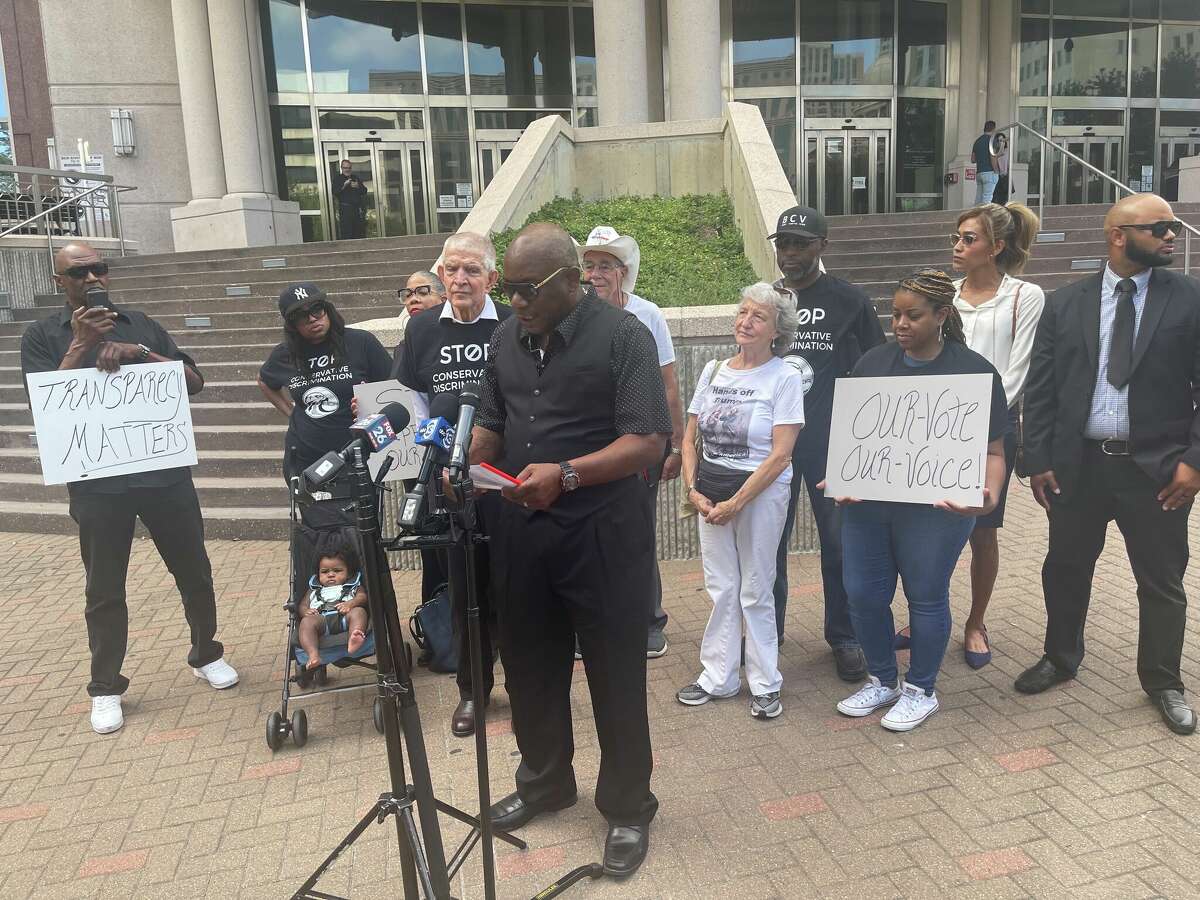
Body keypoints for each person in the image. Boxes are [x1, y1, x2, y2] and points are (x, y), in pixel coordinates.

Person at [473, 223, 670, 878]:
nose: (516, 301)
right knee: (529, 666)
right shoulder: (505, 336)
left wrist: (570, 473)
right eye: (509, 289)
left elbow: (647, 442)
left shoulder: (623, 338)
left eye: (527, 290)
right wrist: (470, 456)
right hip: (523, 534)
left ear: (569, 281)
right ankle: (546, 783)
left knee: (615, 674)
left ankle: (627, 806)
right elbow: (494, 422)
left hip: (602, 534)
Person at [19, 242, 238, 736]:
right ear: (61, 282)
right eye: (80, 273)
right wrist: (79, 346)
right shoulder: (41, 335)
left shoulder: (140, 323)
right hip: (99, 487)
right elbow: (43, 408)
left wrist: (140, 352)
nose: (93, 278)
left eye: (100, 269)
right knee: (104, 590)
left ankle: (206, 653)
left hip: (164, 476)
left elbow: (193, 381)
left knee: (195, 572)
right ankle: (105, 687)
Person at [1016, 194, 1200, 736]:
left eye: (1174, 227)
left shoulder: (1189, 298)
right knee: (1066, 567)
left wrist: (1193, 461)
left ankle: (1163, 680)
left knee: (1162, 580)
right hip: (1079, 467)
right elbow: (1042, 387)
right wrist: (1039, 459)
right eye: (1160, 228)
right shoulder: (1065, 303)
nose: (1172, 236)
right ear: (1118, 235)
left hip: (1158, 471)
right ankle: (1061, 657)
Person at [833, 270, 1008, 733]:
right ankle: (883, 679)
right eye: (895, 314)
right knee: (864, 595)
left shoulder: (974, 372)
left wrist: (986, 498)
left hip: (938, 509)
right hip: (868, 507)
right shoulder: (872, 363)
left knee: (926, 597)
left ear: (942, 316)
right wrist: (842, 477)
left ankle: (921, 689)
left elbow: (993, 452)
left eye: (913, 315)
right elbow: (854, 438)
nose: (901, 324)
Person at [894, 203, 1044, 667]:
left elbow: (1019, 370)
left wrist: (980, 414)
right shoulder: (946, 295)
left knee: (981, 529)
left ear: (996, 247)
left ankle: (976, 621)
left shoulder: (1025, 296)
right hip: (933, 428)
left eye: (969, 239)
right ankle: (923, 613)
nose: (958, 247)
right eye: (956, 238)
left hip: (989, 432)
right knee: (922, 526)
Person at [392, 232, 511, 737]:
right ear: (441, 275)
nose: (460, 279)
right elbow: (405, 396)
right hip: (445, 483)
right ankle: (472, 691)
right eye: (451, 270)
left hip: (507, 482)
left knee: (516, 588)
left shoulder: (510, 324)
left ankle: (526, 684)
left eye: (471, 271)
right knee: (465, 590)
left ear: (492, 278)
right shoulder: (421, 330)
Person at [675, 283, 804, 720]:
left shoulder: (784, 376)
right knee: (721, 586)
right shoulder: (713, 370)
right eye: (743, 312)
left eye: (758, 317)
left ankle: (766, 682)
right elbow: (690, 438)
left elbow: (781, 453)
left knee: (755, 587)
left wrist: (737, 502)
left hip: (761, 494)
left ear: (776, 331)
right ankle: (718, 677)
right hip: (710, 491)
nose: (745, 322)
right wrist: (692, 489)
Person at [768, 205, 885, 682]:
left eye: (800, 243)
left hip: (832, 443)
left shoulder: (849, 300)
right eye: (783, 244)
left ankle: (844, 635)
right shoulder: (762, 299)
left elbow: (875, 367)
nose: (790, 253)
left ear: (822, 246)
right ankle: (765, 633)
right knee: (767, 542)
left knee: (839, 543)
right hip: (772, 445)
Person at [580, 225, 684, 657]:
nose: (596, 274)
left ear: (624, 271)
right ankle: (591, 624)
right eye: (590, 265)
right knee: (585, 535)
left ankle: (647, 622)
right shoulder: (572, 315)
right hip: (587, 446)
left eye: (606, 265)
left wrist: (675, 446)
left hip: (639, 445)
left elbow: (669, 386)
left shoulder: (648, 315)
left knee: (636, 533)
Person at [257, 282, 393, 484]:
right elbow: (264, 381)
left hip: (359, 456)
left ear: (327, 310)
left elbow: (393, 387)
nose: (312, 319)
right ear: (292, 325)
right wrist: (291, 411)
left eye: (317, 310)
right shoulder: (284, 355)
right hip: (307, 460)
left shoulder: (361, 342)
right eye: (302, 316)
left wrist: (370, 407)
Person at [297, 544, 369, 670]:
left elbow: (362, 597)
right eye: (324, 572)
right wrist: (305, 612)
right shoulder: (314, 589)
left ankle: (355, 636)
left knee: (359, 612)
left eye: (337, 571)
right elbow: (302, 605)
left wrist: (350, 603)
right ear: (318, 574)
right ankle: (313, 654)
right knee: (306, 623)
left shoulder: (353, 585)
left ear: (349, 572)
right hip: (321, 621)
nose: (330, 575)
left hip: (346, 617)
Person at [395, 270, 447, 342]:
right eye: (408, 295)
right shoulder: (403, 348)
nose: (413, 300)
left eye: (423, 292)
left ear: (444, 300)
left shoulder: (457, 340)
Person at [333, 160, 368, 240]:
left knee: (359, 233)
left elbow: (365, 191)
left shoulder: (355, 178)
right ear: (342, 168)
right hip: (345, 210)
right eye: (345, 168)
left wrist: (358, 186)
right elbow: (335, 192)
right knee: (347, 233)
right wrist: (344, 186)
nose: (347, 170)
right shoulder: (337, 179)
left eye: (349, 168)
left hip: (356, 210)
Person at [972, 121, 999, 205]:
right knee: (987, 198)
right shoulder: (992, 140)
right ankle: (984, 217)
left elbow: (973, 159)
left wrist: (982, 157)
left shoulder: (977, 141)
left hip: (979, 173)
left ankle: (974, 216)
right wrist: (996, 170)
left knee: (978, 199)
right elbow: (992, 157)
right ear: (994, 129)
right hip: (989, 172)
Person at [993, 134, 1011, 205]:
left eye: (1002, 140)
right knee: (996, 197)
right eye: (999, 140)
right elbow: (1000, 153)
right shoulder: (995, 151)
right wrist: (1002, 143)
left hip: (1005, 175)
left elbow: (1007, 163)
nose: (1001, 142)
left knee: (1004, 198)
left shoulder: (1007, 150)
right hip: (997, 175)